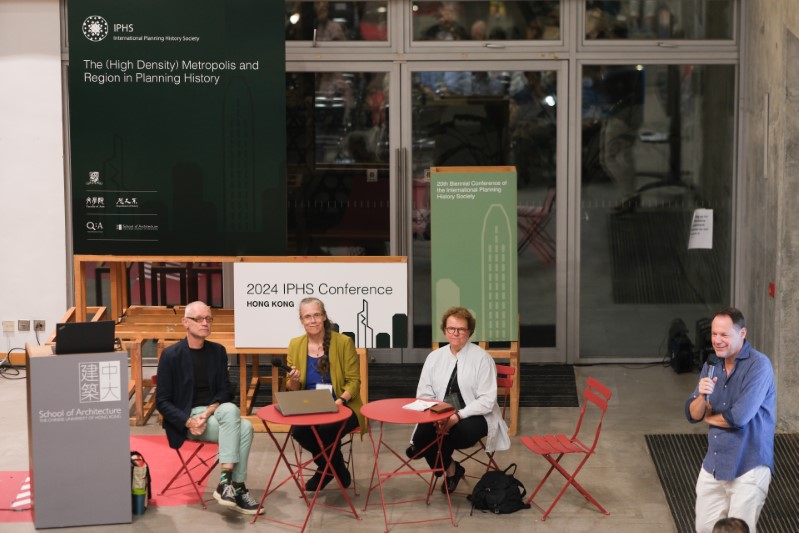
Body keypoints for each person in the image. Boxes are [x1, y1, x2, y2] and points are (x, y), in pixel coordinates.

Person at [155, 301, 261, 515]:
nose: (205, 323)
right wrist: (189, 422)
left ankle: (226, 483)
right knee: (246, 428)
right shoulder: (171, 355)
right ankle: (237, 486)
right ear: (185, 322)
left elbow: (225, 390)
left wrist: (207, 412)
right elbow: (162, 401)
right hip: (188, 416)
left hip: (212, 411)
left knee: (230, 409)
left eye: (208, 319)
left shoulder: (217, 351)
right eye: (199, 319)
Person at [685, 307, 776, 533]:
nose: (717, 340)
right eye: (714, 334)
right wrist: (702, 397)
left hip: (748, 467)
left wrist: (708, 416)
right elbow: (692, 414)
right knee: (704, 529)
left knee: (738, 530)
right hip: (715, 465)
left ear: (742, 333)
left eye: (724, 335)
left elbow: (738, 418)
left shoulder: (759, 366)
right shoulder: (711, 364)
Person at [408, 307, 510, 493]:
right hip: (440, 411)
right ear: (444, 330)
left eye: (461, 329)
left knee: (451, 436)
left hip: (476, 414)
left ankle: (435, 459)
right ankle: (451, 468)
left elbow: (487, 401)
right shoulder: (434, 357)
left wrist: (456, 417)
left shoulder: (482, 359)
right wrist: (438, 416)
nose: (455, 333)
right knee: (422, 435)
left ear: (469, 331)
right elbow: (424, 393)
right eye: (451, 328)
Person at [285, 297, 364, 492]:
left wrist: (340, 400)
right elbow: (292, 388)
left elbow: (354, 381)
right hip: (310, 405)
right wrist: (294, 379)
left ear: (324, 317)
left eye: (316, 315)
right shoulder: (295, 344)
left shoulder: (343, 342)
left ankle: (325, 471)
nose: (312, 320)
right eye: (307, 316)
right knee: (299, 432)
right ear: (301, 320)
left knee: (326, 430)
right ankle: (334, 468)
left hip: (343, 405)